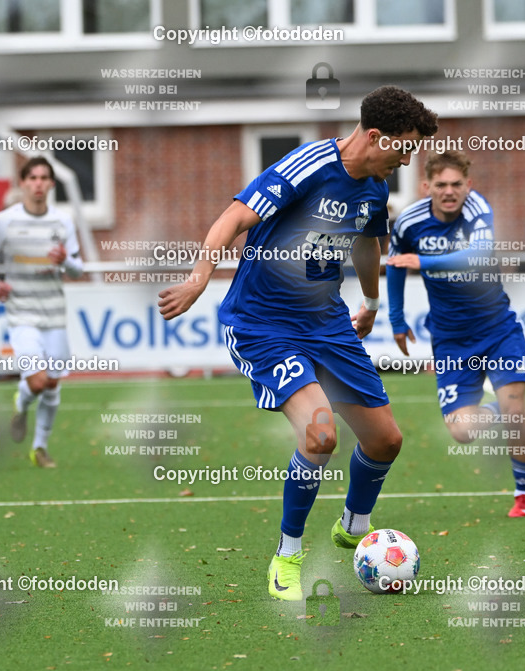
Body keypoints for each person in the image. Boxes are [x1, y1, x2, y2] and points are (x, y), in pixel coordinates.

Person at [158, 86, 438, 601]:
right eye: (404, 149)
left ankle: (353, 526)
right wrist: (199, 278)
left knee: (385, 441)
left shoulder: (375, 189)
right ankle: (287, 556)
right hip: (262, 325)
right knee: (320, 434)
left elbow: (366, 243)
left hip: (327, 322)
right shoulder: (308, 166)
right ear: (377, 137)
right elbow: (235, 217)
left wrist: (371, 303)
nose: (406, 161)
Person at [387, 151, 525, 518]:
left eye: (456, 184)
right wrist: (395, 318)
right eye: (441, 185)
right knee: (462, 432)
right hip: (451, 340)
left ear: (468, 185)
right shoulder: (409, 221)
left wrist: (424, 262)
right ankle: (500, 408)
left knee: (516, 414)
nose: (449, 191)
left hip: (498, 329)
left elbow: (479, 252)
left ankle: (524, 494)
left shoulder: (477, 210)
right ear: (426, 187)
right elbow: (395, 265)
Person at [0, 156, 84, 469]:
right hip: (21, 312)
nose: (38, 184)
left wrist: (65, 261)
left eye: (44, 178)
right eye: (32, 178)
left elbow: (78, 270)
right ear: (22, 183)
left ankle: (39, 448)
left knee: (52, 384)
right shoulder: (5, 221)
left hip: (55, 314)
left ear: (51, 184)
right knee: (37, 381)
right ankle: (22, 402)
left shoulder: (63, 221)